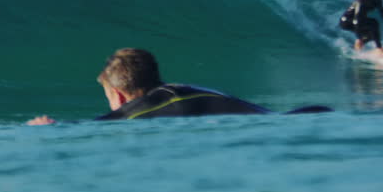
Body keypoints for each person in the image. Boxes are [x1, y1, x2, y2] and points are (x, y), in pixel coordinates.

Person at [26, 47, 330, 124]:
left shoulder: (154, 104)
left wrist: (54, 128)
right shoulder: (178, 90)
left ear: (118, 94)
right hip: (304, 115)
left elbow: (112, 121)